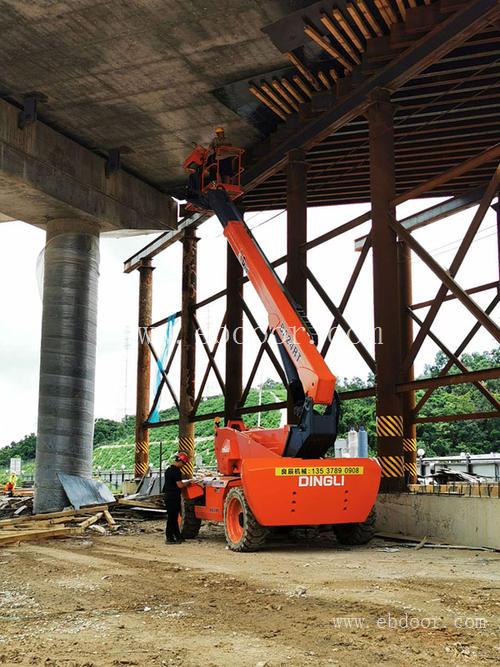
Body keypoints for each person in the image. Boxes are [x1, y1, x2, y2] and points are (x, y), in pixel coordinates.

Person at [162, 452, 191, 544]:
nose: (183, 466)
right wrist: (188, 482)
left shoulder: (168, 470)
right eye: (184, 464)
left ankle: (178, 536)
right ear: (180, 461)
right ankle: (169, 537)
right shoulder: (176, 471)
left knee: (173, 517)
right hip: (173, 497)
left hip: (168, 496)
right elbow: (179, 485)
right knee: (172, 518)